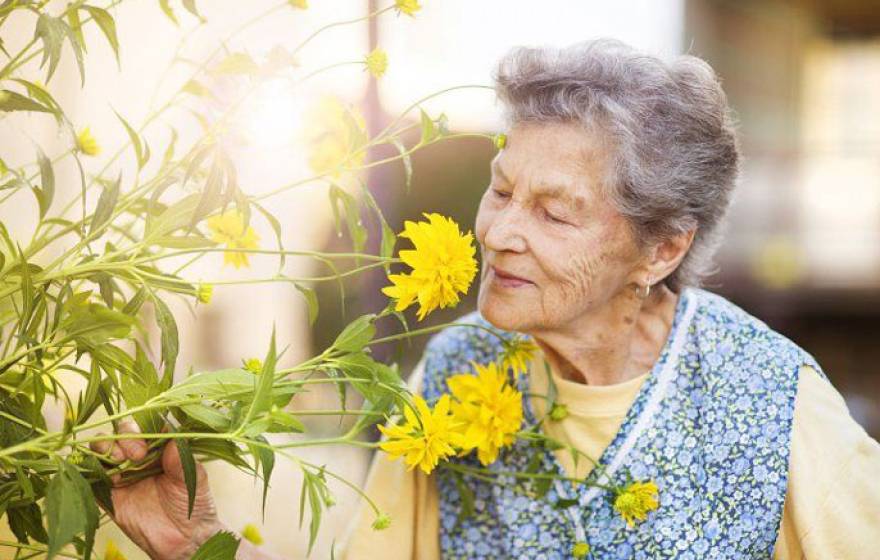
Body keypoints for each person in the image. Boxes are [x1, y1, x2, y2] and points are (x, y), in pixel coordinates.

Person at [94, 39, 880, 559]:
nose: (500, 230)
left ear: (663, 247)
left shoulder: (772, 398)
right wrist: (197, 547)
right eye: (501, 190)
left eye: (554, 211)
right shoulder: (454, 369)